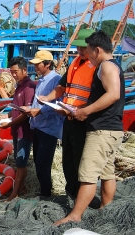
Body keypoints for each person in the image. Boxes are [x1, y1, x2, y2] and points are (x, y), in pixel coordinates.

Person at [54, 30, 124, 225]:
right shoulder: (114, 65)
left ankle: (75, 215)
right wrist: (79, 109)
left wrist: (86, 112)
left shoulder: (106, 66)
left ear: (98, 50)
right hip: (112, 129)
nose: (87, 57)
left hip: (102, 129)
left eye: (89, 51)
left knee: (87, 174)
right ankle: (105, 209)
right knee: (107, 173)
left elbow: (113, 94)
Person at [39, 29, 96, 200]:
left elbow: (97, 96)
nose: (81, 51)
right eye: (78, 48)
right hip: (68, 120)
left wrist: (81, 110)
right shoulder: (75, 63)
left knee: (81, 161)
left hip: (83, 120)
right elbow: (62, 87)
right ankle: (71, 192)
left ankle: (82, 197)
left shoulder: (97, 67)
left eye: (84, 48)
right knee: (68, 160)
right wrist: (47, 98)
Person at [0, 57, 36, 201]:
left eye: (15, 71)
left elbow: (26, 113)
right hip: (16, 130)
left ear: (25, 70)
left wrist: (9, 124)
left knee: (21, 163)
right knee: (19, 161)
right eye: (11, 72)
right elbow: (16, 107)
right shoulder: (19, 85)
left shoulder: (29, 86)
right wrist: (6, 115)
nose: (13, 75)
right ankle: (21, 189)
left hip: (24, 132)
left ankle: (15, 193)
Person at [25, 50, 64, 197]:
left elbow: (59, 105)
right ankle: (44, 192)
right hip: (38, 127)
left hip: (49, 129)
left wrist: (40, 112)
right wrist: (31, 110)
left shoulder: (56, 80)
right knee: (38, 162)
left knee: (43, 163)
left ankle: (46, 195)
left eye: (38, 64)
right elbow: (39, 102)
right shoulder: (41, 80)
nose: (35, 67)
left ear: (47, 64)